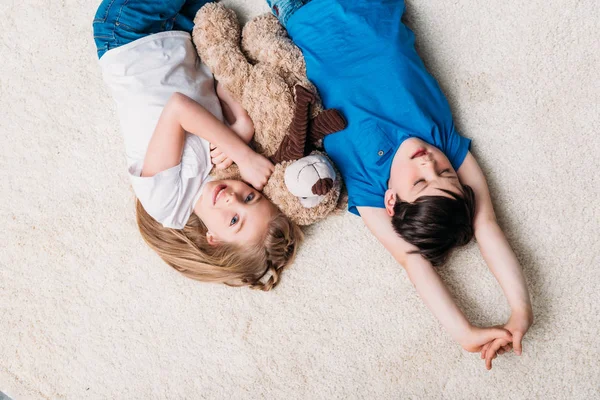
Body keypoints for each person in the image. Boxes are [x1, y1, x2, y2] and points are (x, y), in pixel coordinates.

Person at [263, 0, 533, 368]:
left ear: (391, 202)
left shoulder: (369, 183)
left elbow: (411, 259)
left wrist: (464, 332)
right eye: (446, 173)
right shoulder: (443, 140)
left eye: (421, 181)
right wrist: (521, 309)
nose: (429, 162)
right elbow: (485, 223)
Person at [93, 0, 303, 291]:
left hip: (131, 38)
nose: (233, 199)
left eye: (233, 220)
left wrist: (242, 154)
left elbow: (178, 109)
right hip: (182, 38)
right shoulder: (222, 170)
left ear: (213, 239)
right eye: (250, 199)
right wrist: (242, 126)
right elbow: (222, 85)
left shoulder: (167, 203)